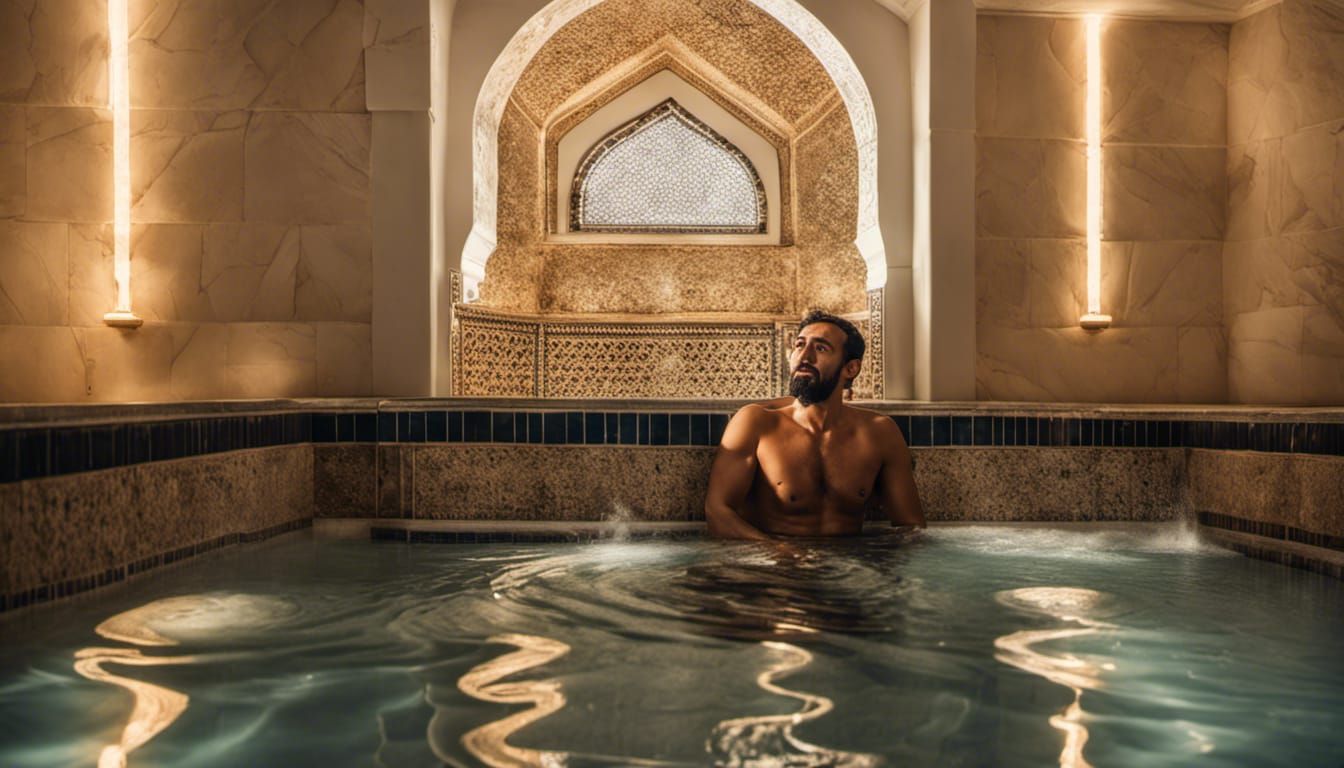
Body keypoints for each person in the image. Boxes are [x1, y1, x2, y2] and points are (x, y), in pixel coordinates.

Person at [704, 310, 925, 539]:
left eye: (820, 348)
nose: (804, 356)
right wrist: (780, 554)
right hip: (773, 567)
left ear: (850, 368)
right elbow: (717, 513)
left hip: (849, 567)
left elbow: (911, 528)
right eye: (799, 345)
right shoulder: (757, 423)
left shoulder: (879, 432)